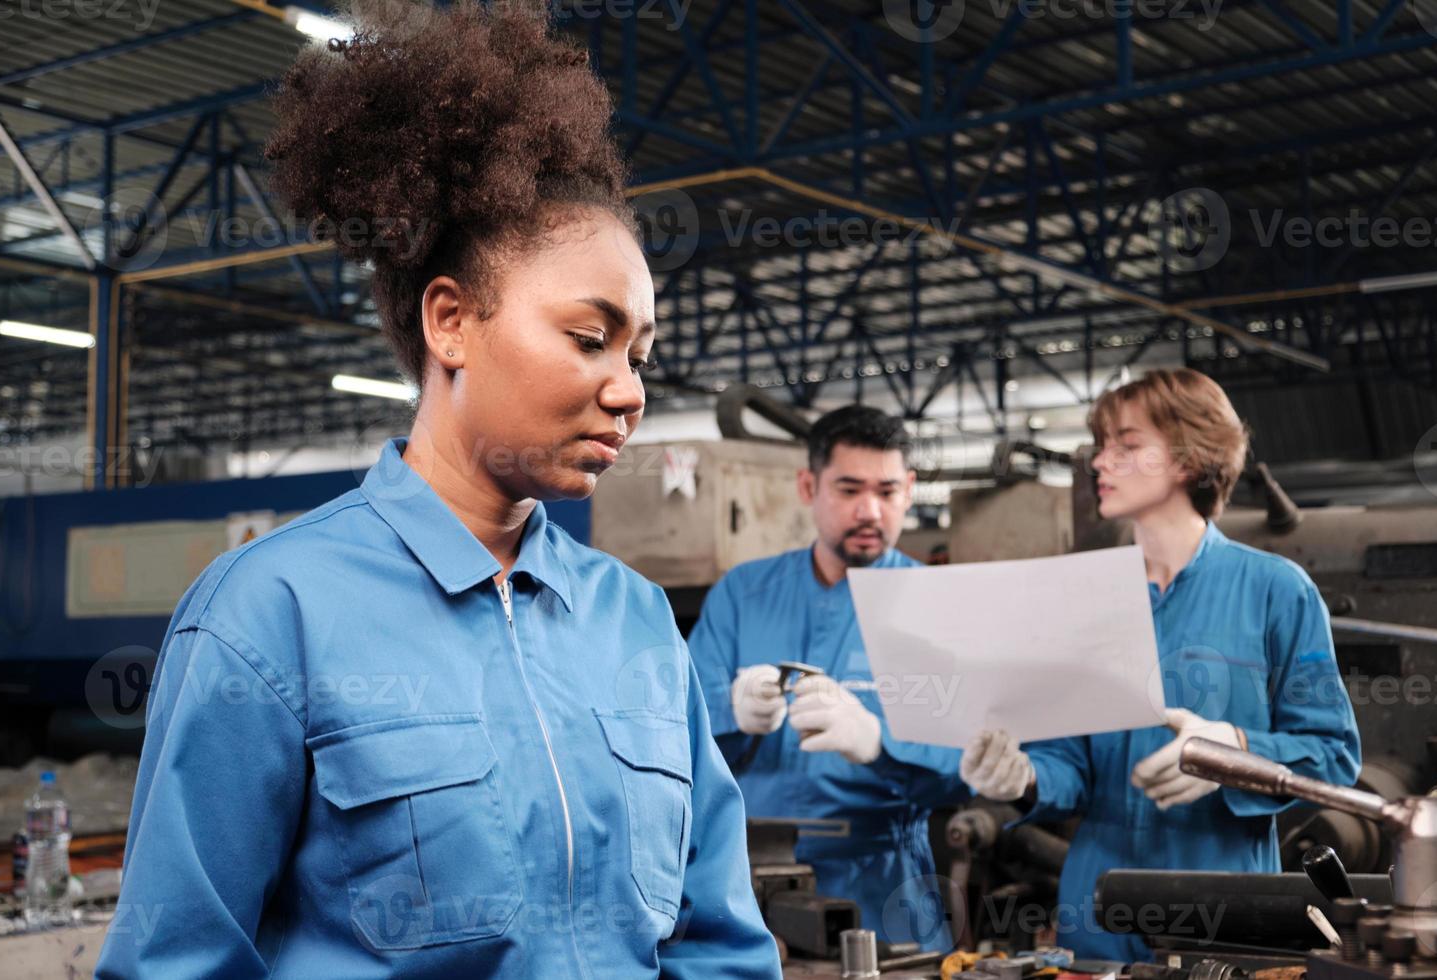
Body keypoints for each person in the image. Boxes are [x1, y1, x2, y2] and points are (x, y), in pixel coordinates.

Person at [95, 4, 779, 976]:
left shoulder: (632, 621)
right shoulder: (269, 616)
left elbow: (717, 947)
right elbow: (176, 964)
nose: (629, 389)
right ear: (451, 321)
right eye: (590, 337)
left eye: (641, 351)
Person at [959, 368, 1361, 962]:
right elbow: (1069, 764)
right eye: (1102, 447)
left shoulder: (1276, 590)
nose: (1100, 462)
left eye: (1126, 446)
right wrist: (1023, 779)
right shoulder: (1085, 601)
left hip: (1227, 906)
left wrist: (1233, 750)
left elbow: (1333, 757)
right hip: (1099, 911)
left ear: (1189, 458)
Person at [689, 406, 970, 954]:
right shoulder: (743, 594)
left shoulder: (937, 606)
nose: (869, 511)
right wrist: (729, 715)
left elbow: (964, 774)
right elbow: (677, 743)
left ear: (909, 491)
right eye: (848, 490)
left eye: (887, 492)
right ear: (808, 486)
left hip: (882, 882)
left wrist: (880, 745)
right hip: (746, 878)